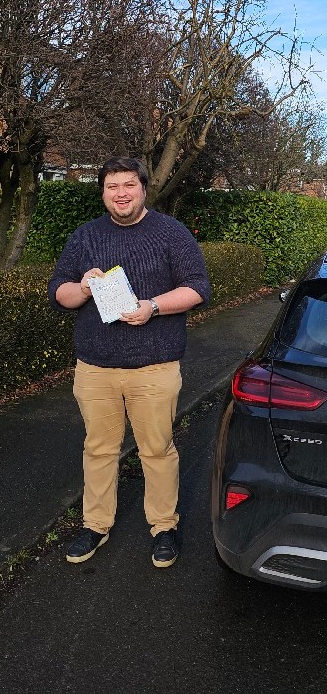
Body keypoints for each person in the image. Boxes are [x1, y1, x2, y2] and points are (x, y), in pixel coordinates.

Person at [48, 157, 211, 568]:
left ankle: (163, 526)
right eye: (111, 186)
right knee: (99, 449)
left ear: (143, 189)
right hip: (95, 368)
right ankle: (95, 525)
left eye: (128, 185)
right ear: (102, 192)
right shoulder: (85, 236)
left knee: (156, 449)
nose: (120, 193)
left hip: (154, 367)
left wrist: (153, 306)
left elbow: (197, 288)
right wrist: (82, 288)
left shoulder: (170, 233)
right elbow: (60, 294)